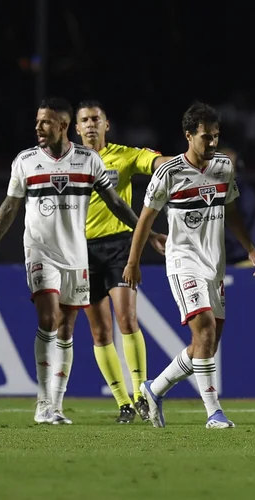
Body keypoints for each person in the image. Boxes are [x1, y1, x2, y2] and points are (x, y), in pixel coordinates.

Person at [0, 97, 165, 425]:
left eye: (45, 122)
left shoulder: (88, 161)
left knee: (68, 327)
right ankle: (43, 400)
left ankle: (56, 406)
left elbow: (115, 202)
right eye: (37, 122)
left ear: (62, 126)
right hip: (40, 251)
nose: (38, 127)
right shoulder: (26, 161)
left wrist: (150, 234)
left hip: (79, 255)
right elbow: (8, 207)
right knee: (49, 318)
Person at [123, 102, 255, 429]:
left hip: (214, 265)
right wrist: (134, 261)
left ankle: (154, 389)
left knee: (207, 345)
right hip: (183, 261)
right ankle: (214, 412)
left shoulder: (223, 168)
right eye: (205, 137)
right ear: (188, 136)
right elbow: (146, 220)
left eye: (216, 136)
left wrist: (249, 247)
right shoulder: (168, 172)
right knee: (204, 330)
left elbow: (231, 210)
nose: (212, 143)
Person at [74, 100, 172, 423]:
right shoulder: (70, 162)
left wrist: (186, 162)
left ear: (107, 125)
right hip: (81, 251)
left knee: (127, 319)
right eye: (85, 120)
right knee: (100, 332)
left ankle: (141, 392)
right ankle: (123, 404)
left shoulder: (124, 155)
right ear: (76, 128)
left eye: (96, 119)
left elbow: (156, 162)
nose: (90, 124)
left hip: (119, 247)